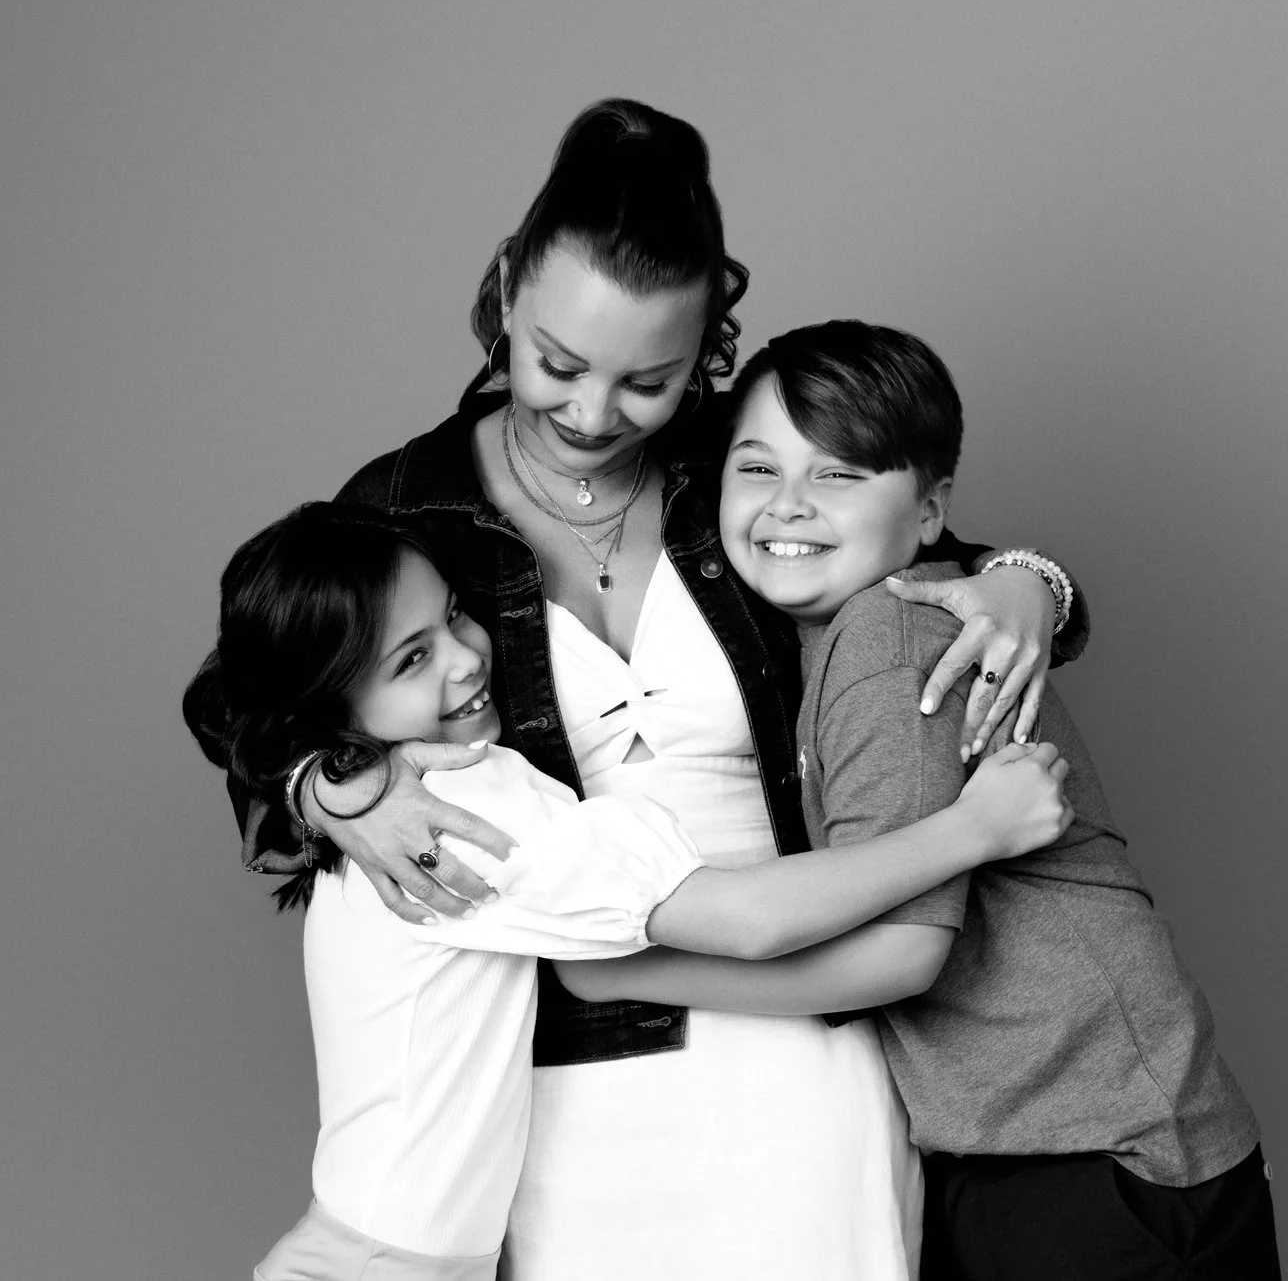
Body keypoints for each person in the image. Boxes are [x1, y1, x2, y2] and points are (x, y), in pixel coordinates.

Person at [228, 98, 1093, 1279]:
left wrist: (1036, 585)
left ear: (705, 356)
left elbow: (930, 565)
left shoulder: (740, 463)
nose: (592, 415)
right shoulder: (400, 509)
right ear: (505, 294)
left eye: (648, 381)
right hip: (565, 1064)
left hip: (805, 1040)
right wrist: (332, 789)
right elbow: (269, 704)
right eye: (556, 364)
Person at [559, 321, 1280, 1280]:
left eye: (839, 474)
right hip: (1095, 1139)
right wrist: (1033, 579)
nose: (789, 504)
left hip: (1097, 1155)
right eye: (758, 468)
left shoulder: (885, 647)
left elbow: (901, 955)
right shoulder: (847, 633)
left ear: (930, 509)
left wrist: (623, 974)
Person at [185, 502, 1071, 1280]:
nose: (464, 658)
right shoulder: (453, 809)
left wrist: (1029, 582)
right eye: (412, 659)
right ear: (325, 707)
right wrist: (974, 830)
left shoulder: (381, 795)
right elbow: (751, 921)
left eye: (454, 614)